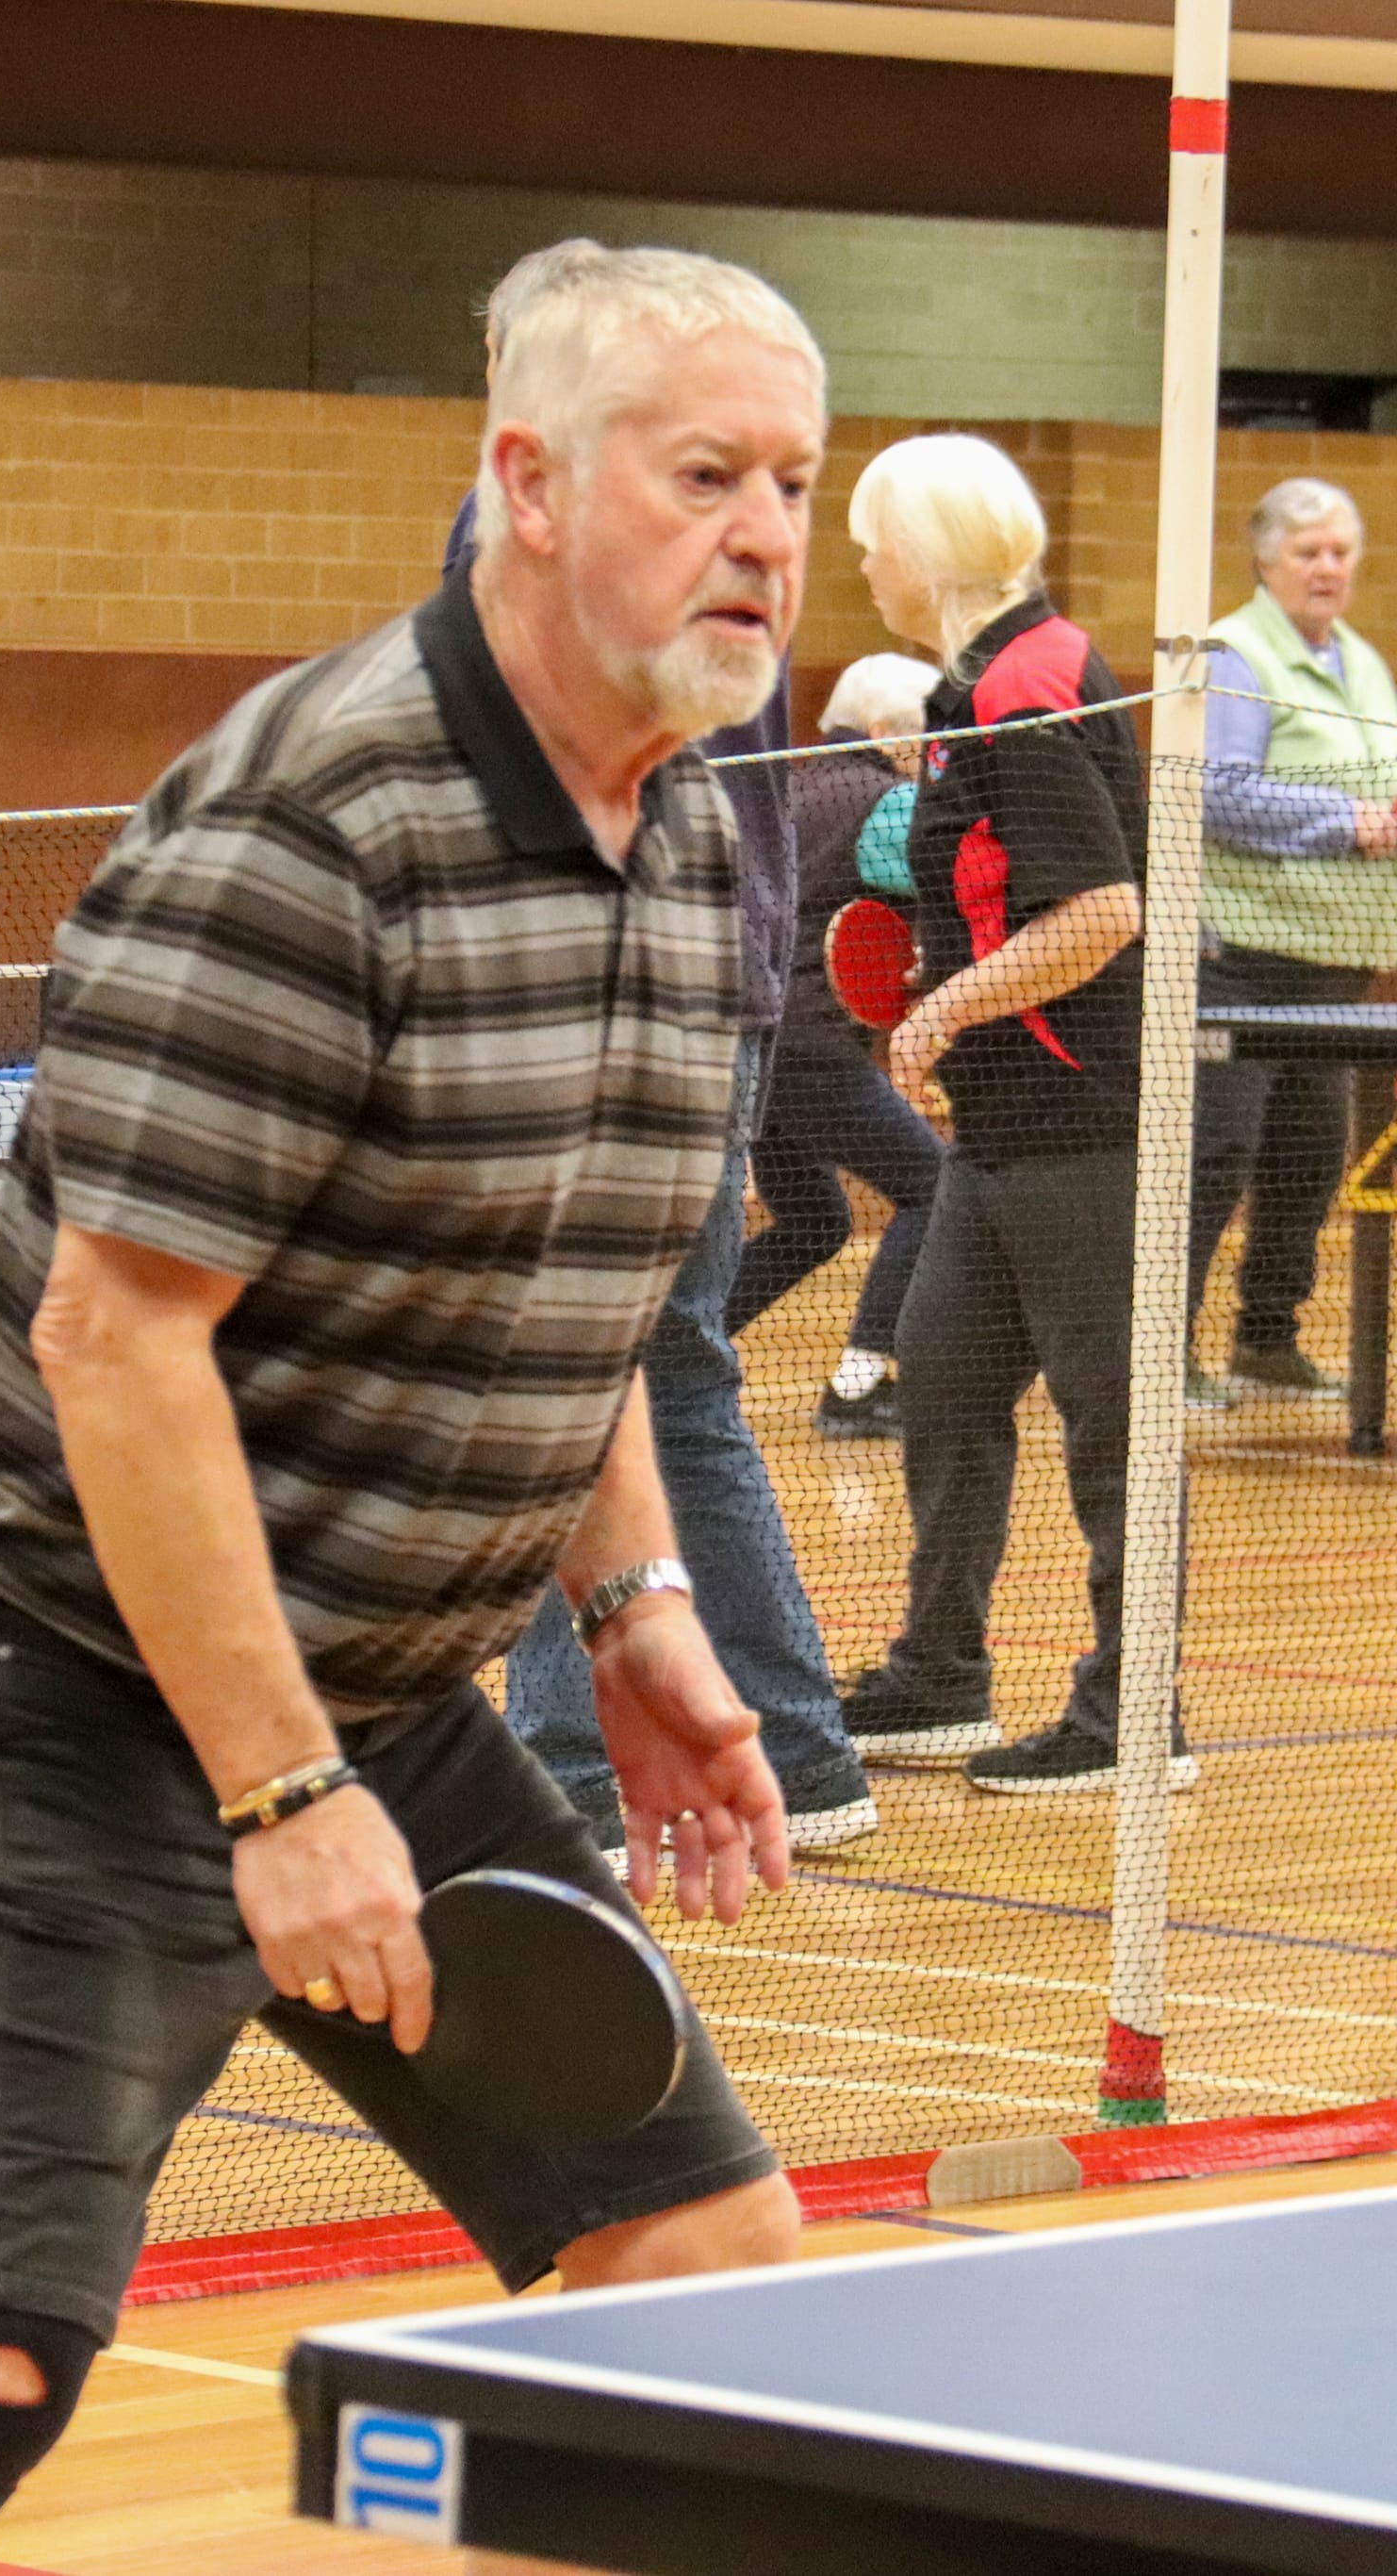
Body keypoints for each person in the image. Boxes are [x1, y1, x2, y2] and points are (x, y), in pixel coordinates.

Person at [0, 246, 827, 2575]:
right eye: (704, 476)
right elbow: (112, 1343)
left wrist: (632, 1610)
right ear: (529, 484)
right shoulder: (313, 825)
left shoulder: (693, 833)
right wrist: (285, 1788)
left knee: (702, 2268)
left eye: (792, 488)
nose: (761, 538)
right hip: (87, 1673)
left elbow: (579, 1275)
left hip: (382, 1680)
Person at [449, 244, 877, 1855]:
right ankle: (801, 1751)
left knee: (582, 1374)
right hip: (720, 999)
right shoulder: (709, 548)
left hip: (618, 1017)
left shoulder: (546, 534)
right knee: (674, 1377)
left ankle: (573, 1765)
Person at [835, 433, 1198, 1796]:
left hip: (1085, 1118)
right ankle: (940, 1673)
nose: (859, 562)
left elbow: (1101, 909)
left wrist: (940, 1011)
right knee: (942, 1379)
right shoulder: (969, 686)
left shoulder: (1026, 682)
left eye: (868, 537)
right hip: (997, 1133)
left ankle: (1133, 1714)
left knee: (1111, 1422)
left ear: (921, 547)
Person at [1187, 476, 1397, 1403]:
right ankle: (1157, 1348)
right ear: (1266, 560)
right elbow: (1217, 790)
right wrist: (1348, 822)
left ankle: (1266, 1338)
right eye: (1308, 551)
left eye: (1339, 551)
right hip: (1241, 955)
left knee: (1309, 1159)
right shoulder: (1235, 654)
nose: (1326, 567)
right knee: (1213, 1156)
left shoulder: (1363, 661)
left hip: (1335, 964)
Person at [725, 652, 946, 1438]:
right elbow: (952, 890)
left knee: (815, 1218)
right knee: (935, 1184)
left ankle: (668, 1362)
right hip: (813, 1048)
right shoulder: (889, 802)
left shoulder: (785, 788)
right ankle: (857, 1386)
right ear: (886, 732)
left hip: (757, 1042)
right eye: (927, 739)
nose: (934, 757)